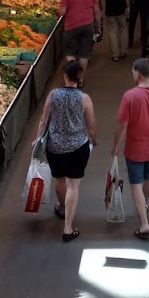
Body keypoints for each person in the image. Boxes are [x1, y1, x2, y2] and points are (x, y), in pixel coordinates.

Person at [111, 58, 149, 240]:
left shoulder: (130, 96)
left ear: (138, 74)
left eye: (132, 72)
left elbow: (122, 125)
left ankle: (144, 224)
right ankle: (144, 204)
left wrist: (116, 146)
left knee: (135, 184)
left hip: (135, 149)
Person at [35, 60, 98, 243]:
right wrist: (94, 140)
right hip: (78, 147)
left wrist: (38, 139)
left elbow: (43, 121)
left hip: (54, 146)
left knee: (60, 180)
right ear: (79, 77)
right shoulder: (84, 98)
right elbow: (91, 125)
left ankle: (62, 208)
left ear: (64, 76)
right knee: (73, 185)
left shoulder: (53, 94)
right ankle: (68, 228)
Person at [60, 0, 101, 86]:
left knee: (70, 53)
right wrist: (98, 26)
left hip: (71, 26)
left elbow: (62, 12)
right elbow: (97, 11)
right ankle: (81, 79)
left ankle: (72, 80)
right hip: (88, 25)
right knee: (84, 54)